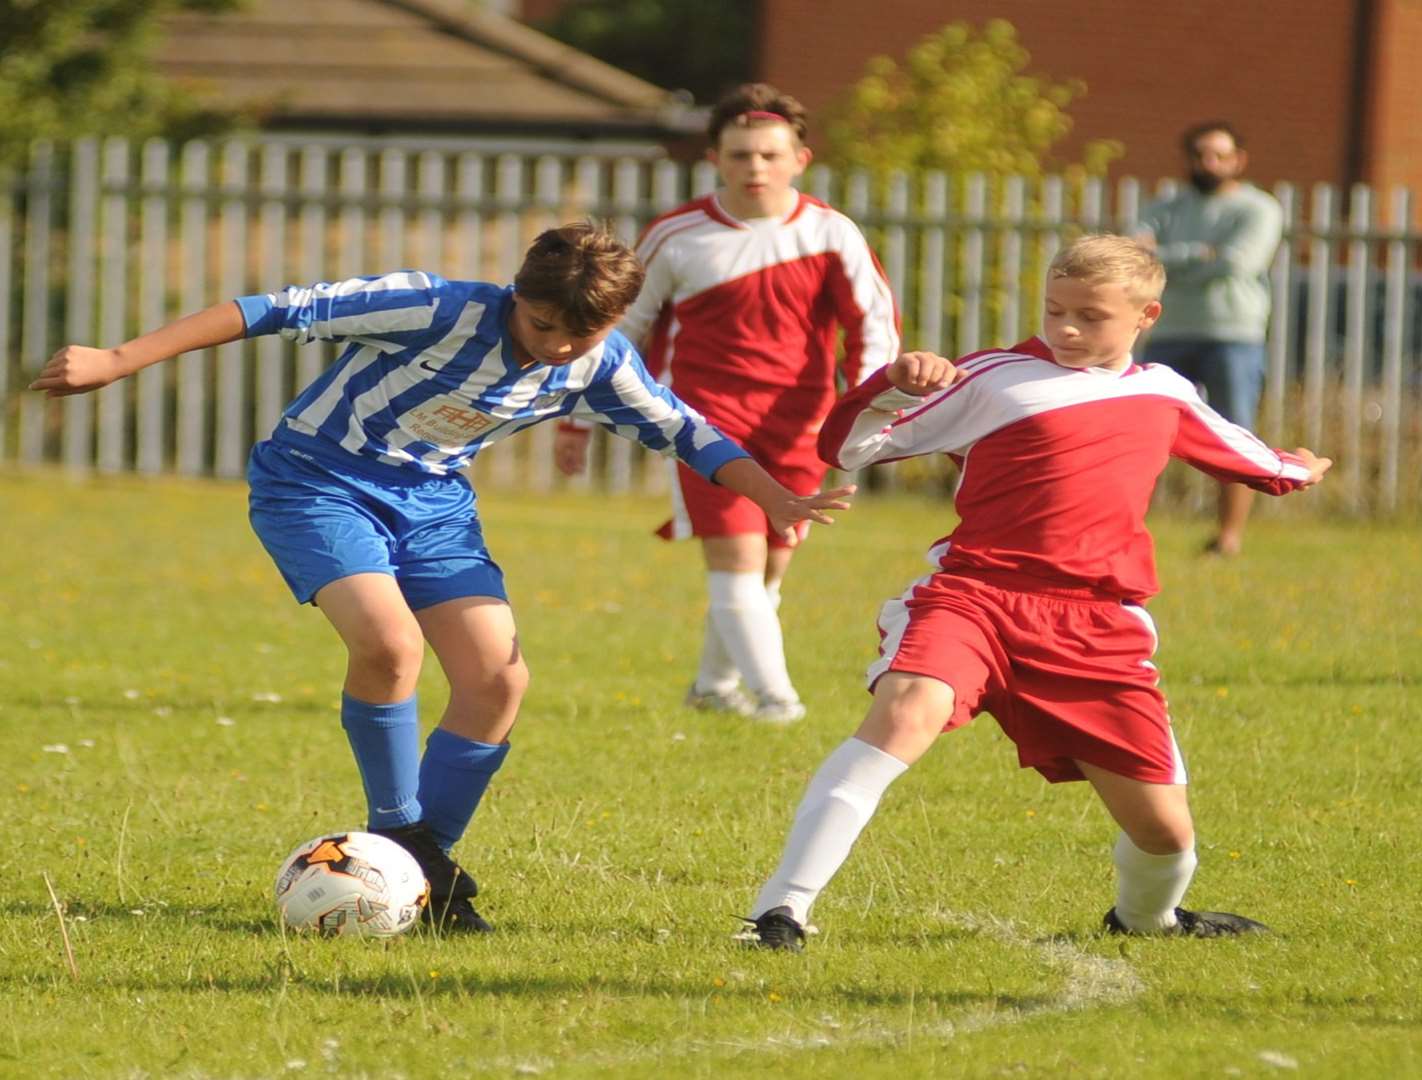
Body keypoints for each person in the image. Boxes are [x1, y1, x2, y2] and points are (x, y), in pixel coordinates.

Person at [29, 222, 851, 933]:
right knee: (390, 648)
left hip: (434, 508)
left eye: (582, 335)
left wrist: (775, 495)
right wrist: (118, 357)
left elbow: (687, 431)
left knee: (498, 678)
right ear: (517, 295)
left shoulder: (601, 363)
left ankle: (421, 870)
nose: (559, 346)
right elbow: (270, 309)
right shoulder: (435, 305)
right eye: (544, 324)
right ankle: (404, 839)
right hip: (317, 481)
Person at [733, 235, 1331, 950]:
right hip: (977, 595)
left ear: (1146, 315)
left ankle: (1147, 920)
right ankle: (781, 912)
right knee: (906, 711)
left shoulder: (1163, 391)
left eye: (1090, 316)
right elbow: (851, 448)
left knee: (1165, 833)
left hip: (1097, 624)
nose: (1068, 329)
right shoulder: (992, 376)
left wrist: (1300, 470)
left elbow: (1250, 460)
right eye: (1055, 310)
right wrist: (892, 382)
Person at [554, 83, 899, 725]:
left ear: (800, 158)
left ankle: (713, 687)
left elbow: (873, 326)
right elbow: (621, 329)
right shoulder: (676, 234)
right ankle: (780, 701)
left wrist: (869, 408)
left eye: (770, 154)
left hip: (802, 424)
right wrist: (578, 416)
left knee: (769, 568)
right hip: (702, 423)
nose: (755, 168)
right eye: (740, 155)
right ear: (715, 158)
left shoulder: (831, 232)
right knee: (736, 559)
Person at [1134, 121, 1284, 557]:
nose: (1209, 163)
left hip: (1233, 335)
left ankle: (1228, 538)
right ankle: (1127, 533)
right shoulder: (1166, 205)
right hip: (1168, 331)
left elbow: (1237, 263)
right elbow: (1137, 255)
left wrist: (1169, 259)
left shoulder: (1259, 208)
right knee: (1142, 431)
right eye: (1201, 154)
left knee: (1234, 435)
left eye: (1220, 155)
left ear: (1239, 160)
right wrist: (1201, 254)